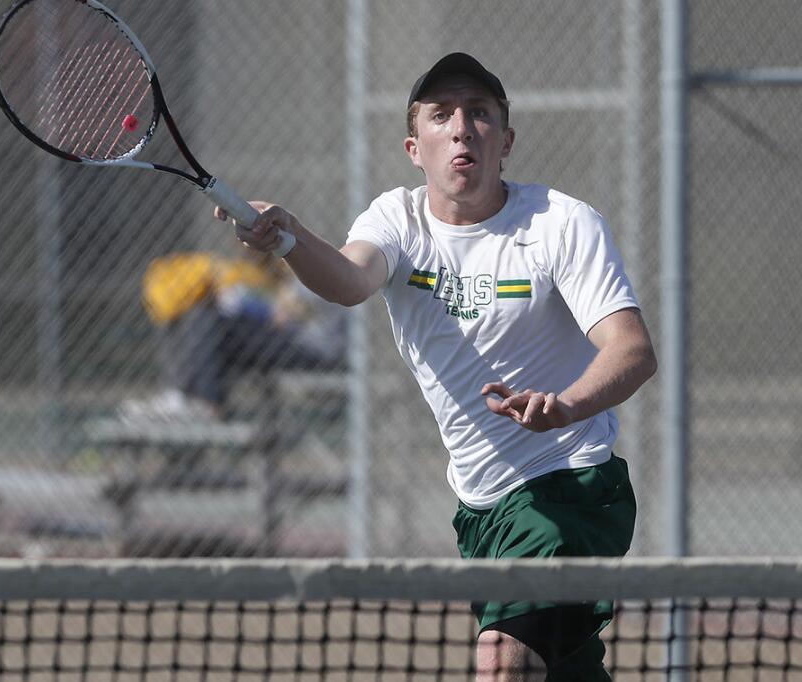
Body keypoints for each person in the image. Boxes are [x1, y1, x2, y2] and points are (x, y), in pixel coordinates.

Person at [216, 52, 657, 681]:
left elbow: (631, 349)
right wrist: (286, 237)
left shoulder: (562, 223)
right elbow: (347, 278)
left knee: (500, 664)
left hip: (571, 487)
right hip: (481, 507)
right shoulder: (396, 220)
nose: (461, 127)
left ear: (505, 142)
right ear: (414, 146)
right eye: (442, 114)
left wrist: (565, 405)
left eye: (479, 113)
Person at [123, 248, 345, 422]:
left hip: (309, 349)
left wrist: (249, 303)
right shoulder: (276, 274)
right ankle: (179, 397)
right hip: (285, 341)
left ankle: (203, 403)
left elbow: (286, 315)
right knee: (195, 315)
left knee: (209, 319)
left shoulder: (315, 268)